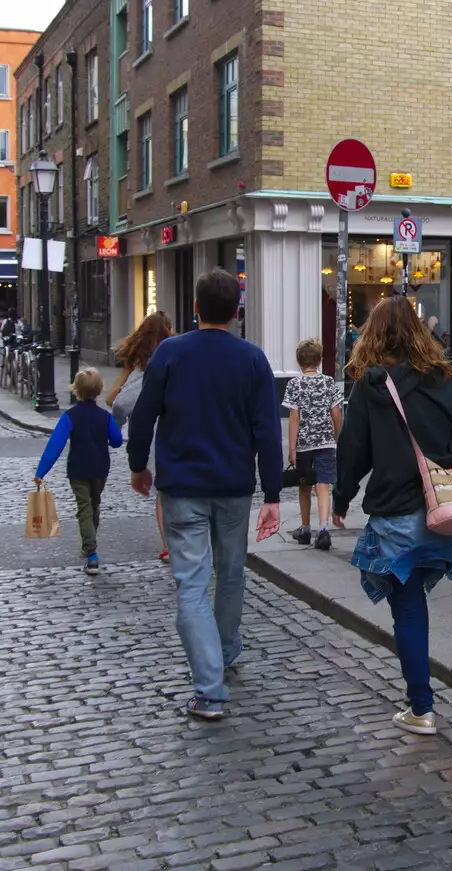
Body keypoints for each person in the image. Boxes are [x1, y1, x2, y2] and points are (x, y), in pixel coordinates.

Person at [334, 296, 452, 737]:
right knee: (415, 604)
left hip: (396, 514)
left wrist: (342, 497)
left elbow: (353, 450)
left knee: (407, 610)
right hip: (443, 514)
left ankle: (421, 707)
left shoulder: (371, 385)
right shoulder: (447, 382)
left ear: (375, 334)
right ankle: (418, 703)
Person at [127, 270, 283, 721]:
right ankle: (226, 650)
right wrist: (272, 493)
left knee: (191, 585)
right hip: (233, 487)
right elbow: (266, 431)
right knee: (231, 573)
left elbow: (143, 415)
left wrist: (140, 466)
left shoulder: (171, 353)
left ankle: (210, 689)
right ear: (237, 311)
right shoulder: (252, 360)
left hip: (182, 489)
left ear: (196, 308)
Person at [36, 367, 124, 575]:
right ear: (100, 390)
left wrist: (41, 471)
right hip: (100, 468)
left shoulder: (70, 416)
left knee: (84, 508)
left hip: (78, 469)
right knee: (94, 505)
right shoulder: (104, 416)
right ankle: (89, 543)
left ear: (76, 390)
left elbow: (55, 446)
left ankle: (91, 553)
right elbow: (117, 442)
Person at [108, 311, 176, 563]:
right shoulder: (176, 357)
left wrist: (114, 427)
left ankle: (169, 545)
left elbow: (121, 403)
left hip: (158, 437)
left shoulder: (144, 367)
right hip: (182, 431)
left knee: (164, 492)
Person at [282, 338, 344, 551]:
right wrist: (339, 438)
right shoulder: (328, 382)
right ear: (319, 360)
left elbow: (293, 418)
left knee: (304, 486)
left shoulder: (294, 384)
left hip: (304, 445)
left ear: (299, 361)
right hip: (326, 442)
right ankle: (324, 529)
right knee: (324, 485)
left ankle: (306, 527)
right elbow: (336, 414)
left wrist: (291, 449)